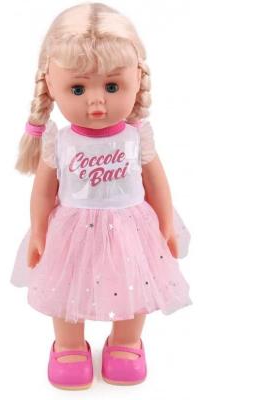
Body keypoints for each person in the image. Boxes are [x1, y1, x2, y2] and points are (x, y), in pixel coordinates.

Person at [11, 2, 192, 390]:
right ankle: (69, 345)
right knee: (66, 287)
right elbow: (43, 191)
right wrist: (39, 231)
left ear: (137, 79)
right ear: (51, 85)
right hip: (72, 230)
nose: (96, 101)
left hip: (131, 229)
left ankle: (126, 341)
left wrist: (166, 223)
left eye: (112, 86)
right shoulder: (60, 142)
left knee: (134, 284)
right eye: (78, 88)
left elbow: (157, 183)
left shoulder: (136, 136)